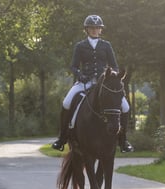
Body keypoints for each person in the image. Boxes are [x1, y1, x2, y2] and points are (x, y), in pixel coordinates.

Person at [52, 14, 134, 153]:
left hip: (104, 83)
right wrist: (80, 75)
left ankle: (123, 140)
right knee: (66, 103)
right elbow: (73, 66)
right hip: (85, 82)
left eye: (97, 28)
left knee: (125, 107)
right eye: (92, 28)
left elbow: (114, 66)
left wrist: (112, 77)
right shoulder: (80, 46)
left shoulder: (106, 45)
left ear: (101, 30)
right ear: (87, 29)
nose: (95, 30)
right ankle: (62, 138)